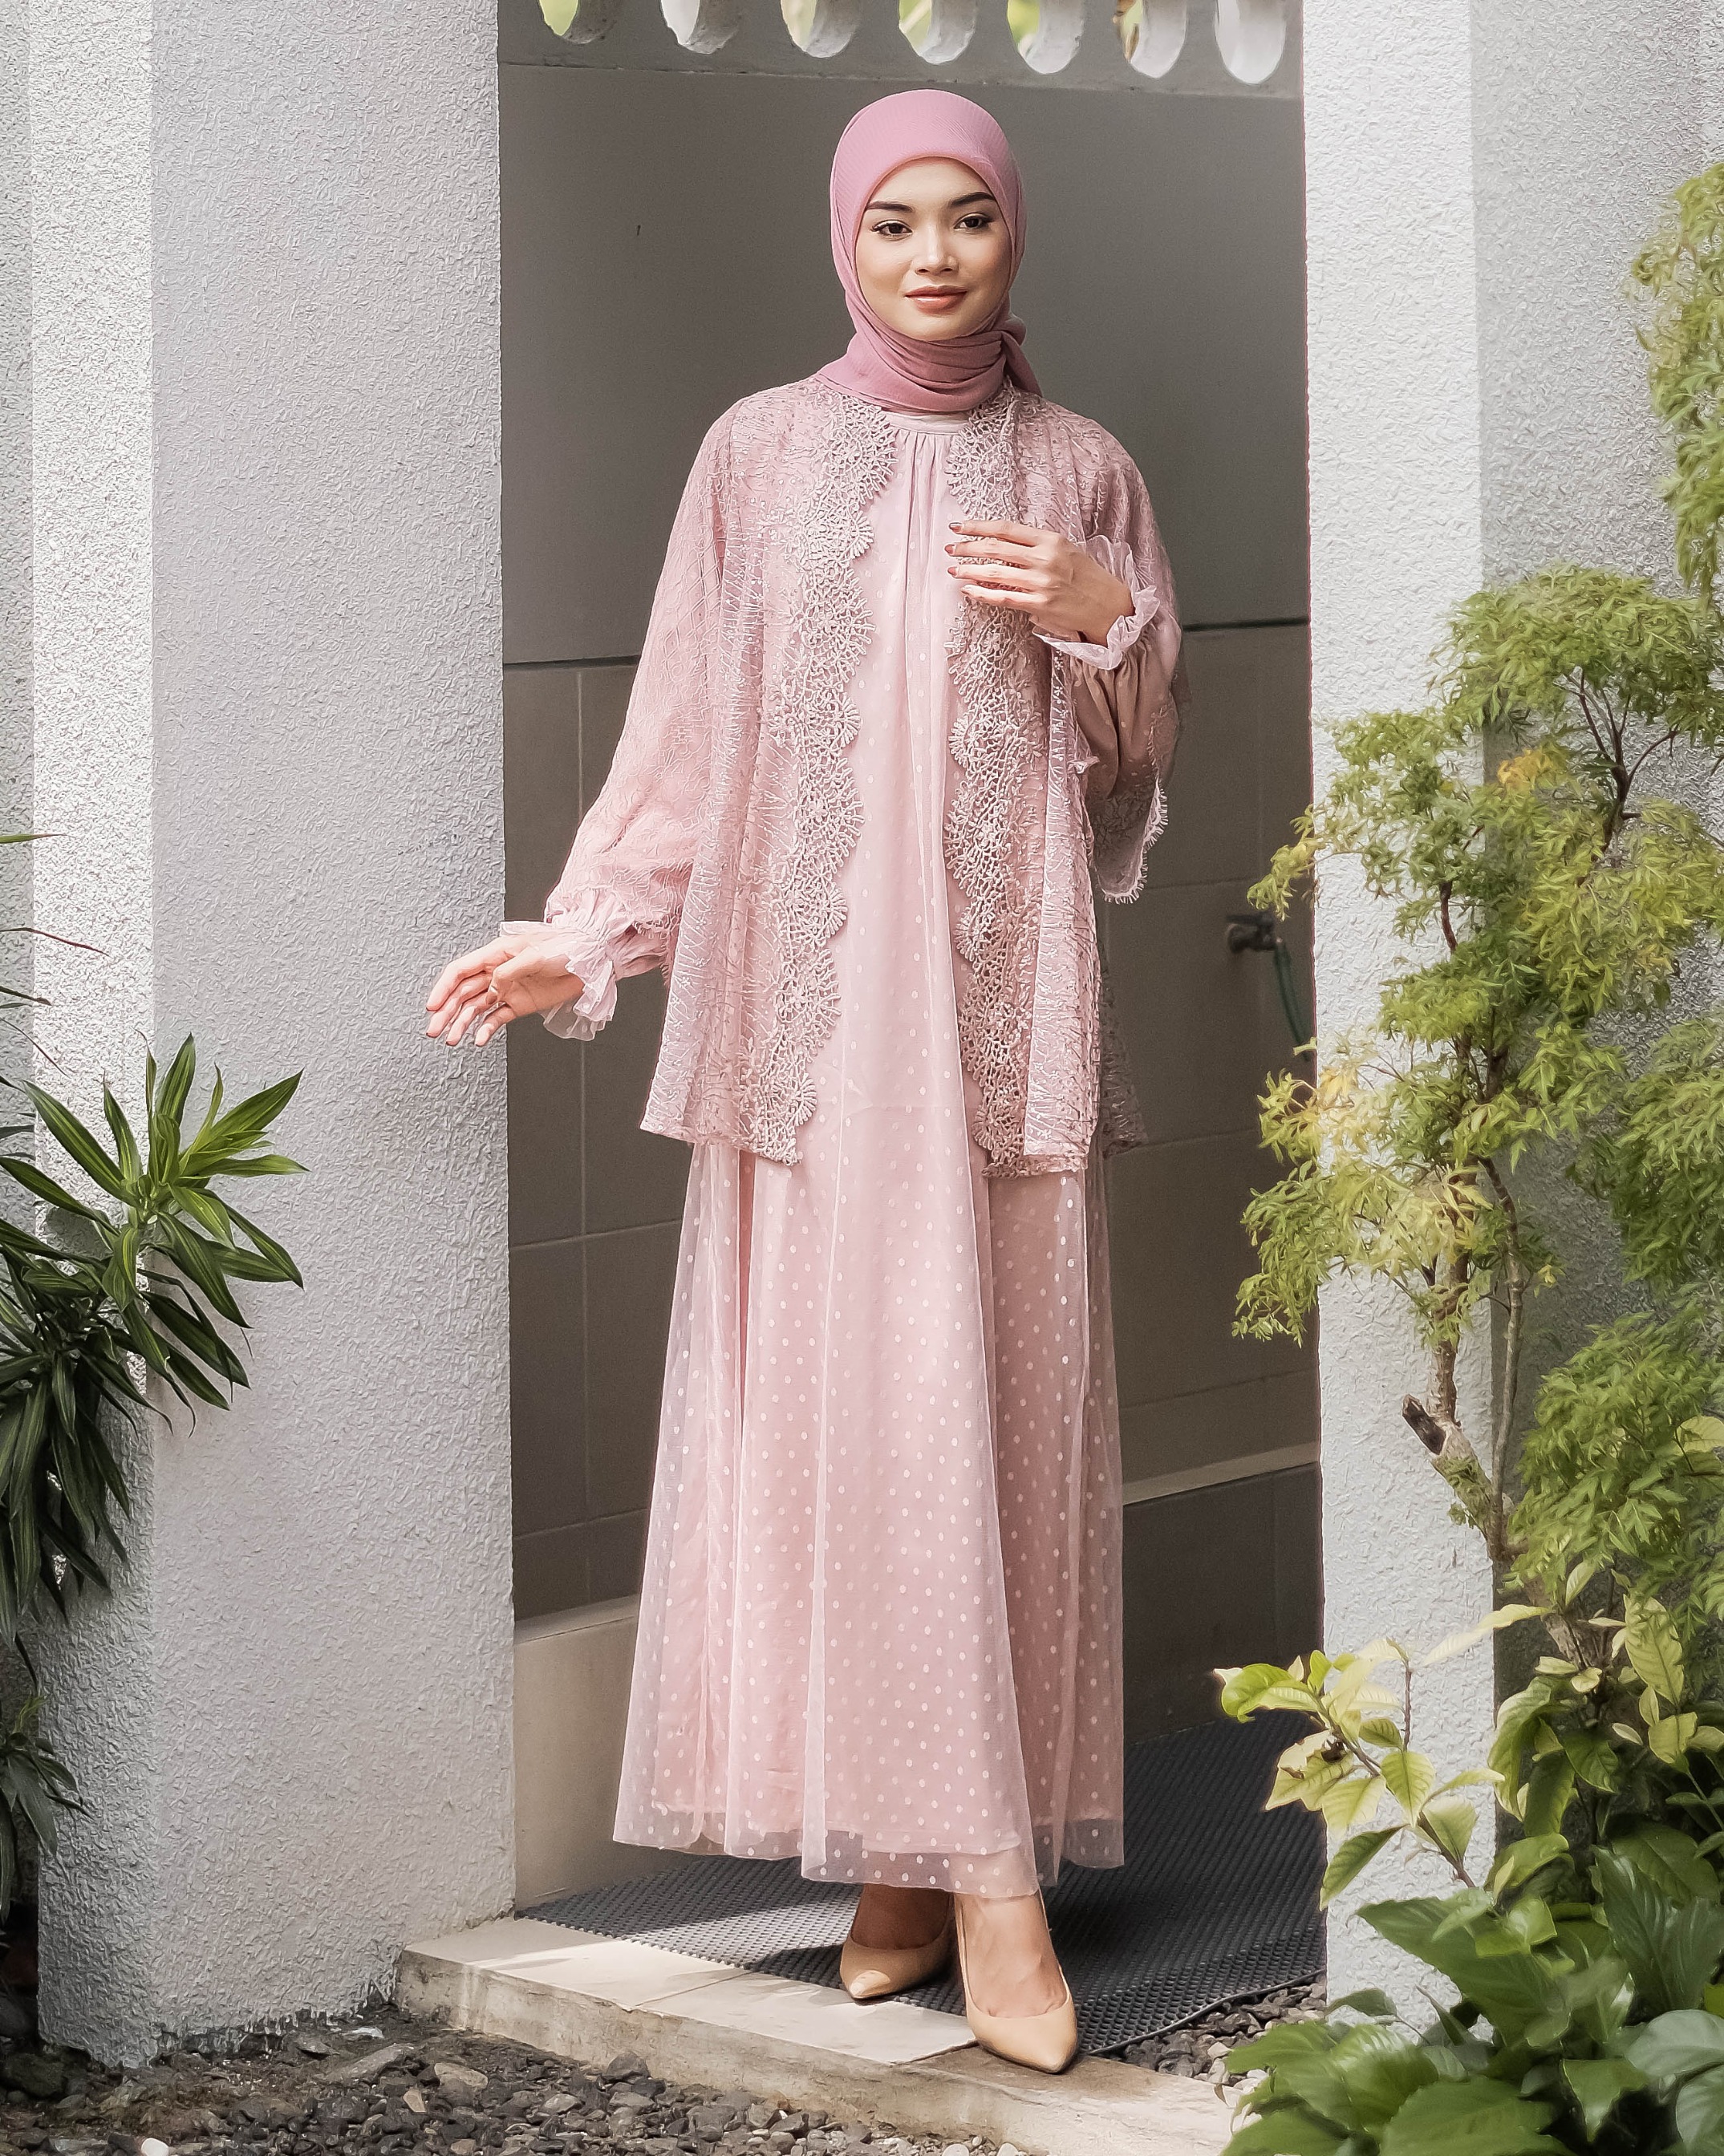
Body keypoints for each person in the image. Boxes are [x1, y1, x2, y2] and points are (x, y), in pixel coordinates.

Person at [428, 89, 1183, 2075]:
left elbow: (1132, 762)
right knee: (851, 1435)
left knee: (987, 1423)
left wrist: (1106, 620)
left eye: (966, 219)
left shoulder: (1083, 467)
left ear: (1014, 234)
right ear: (843, 241)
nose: (932, 256)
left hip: (994, 1025)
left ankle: (968, 1870)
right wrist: (585, 934)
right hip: (819, 1033)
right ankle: (928, 1864)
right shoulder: (756, 454)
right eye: (892, 224)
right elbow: (686, 733)